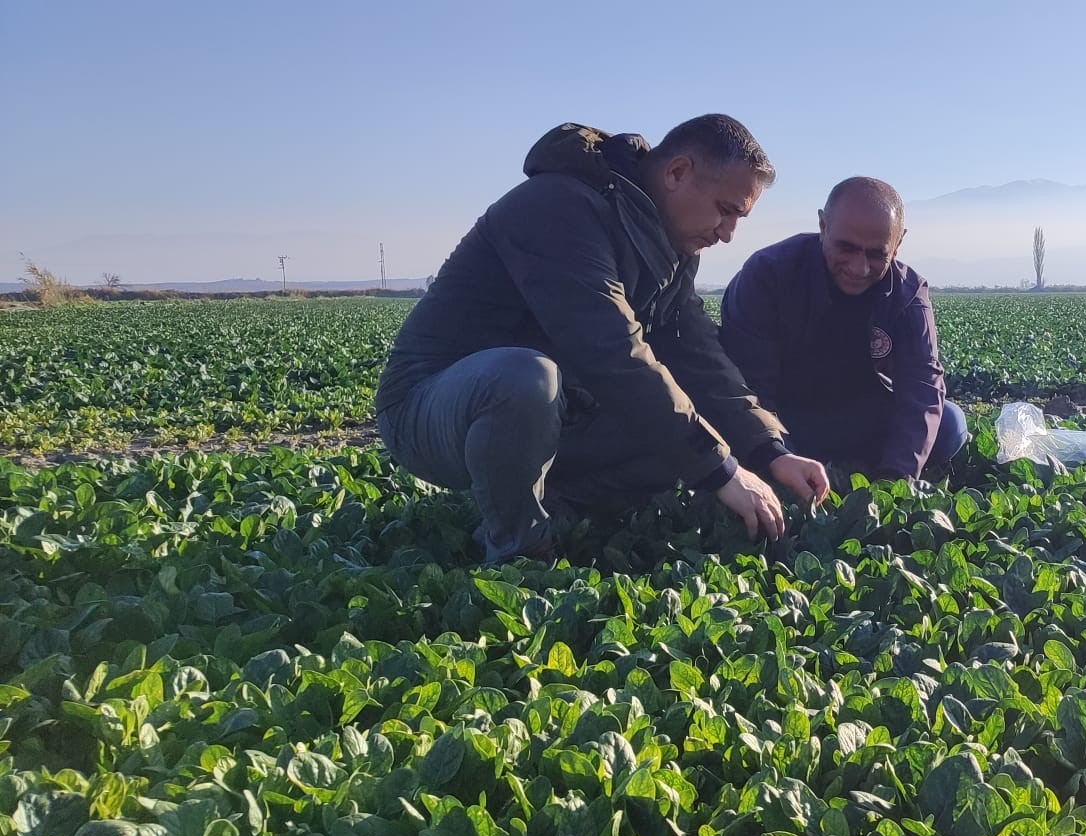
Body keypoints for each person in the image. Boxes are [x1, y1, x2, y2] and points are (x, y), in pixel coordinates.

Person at [374, 116, 829, 563]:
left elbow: (701, 359)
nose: (728, 234)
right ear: (677, 173)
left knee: (679, 436)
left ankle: (552, 504)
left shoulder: (673, 245)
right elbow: (611, 352)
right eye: (727, 211)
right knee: (527, 378)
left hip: (561, 412)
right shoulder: (558, 206)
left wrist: (768, 452)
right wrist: (723, 471)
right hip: (429, 409)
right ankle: (519, 548)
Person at [719, 177, 967, 483]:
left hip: (855, 416)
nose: (858, 267)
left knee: (949, 424)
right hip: (783, 416)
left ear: (898, 242)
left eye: (876, 254)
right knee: (729, 424)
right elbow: (749, 385)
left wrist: (896, 478)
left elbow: (922, 385)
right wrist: (777, 455)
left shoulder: (908, 294)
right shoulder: (768, 273)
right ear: (823, 227)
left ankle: (858, 464)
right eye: (846, 248)